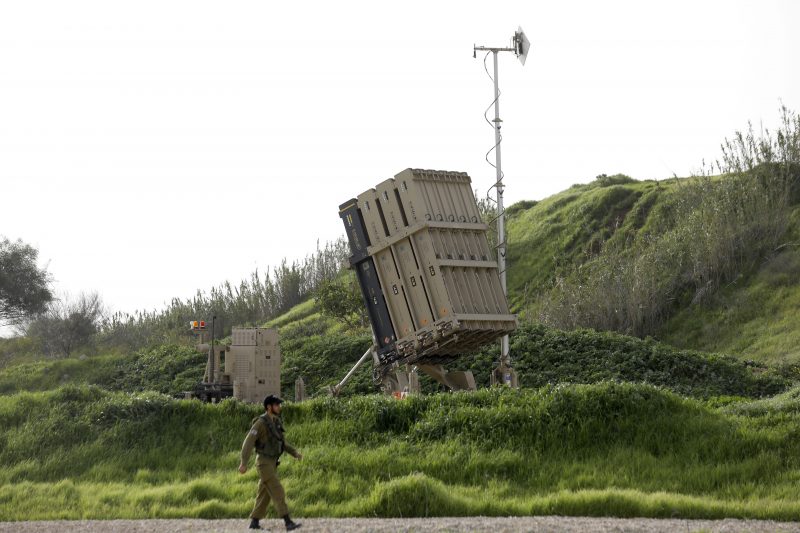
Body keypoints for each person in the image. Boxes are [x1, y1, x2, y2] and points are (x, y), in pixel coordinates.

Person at [239, 394, 303, 531]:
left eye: (279, 405)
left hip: (272, 463)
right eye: (276, 405)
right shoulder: (260, 423)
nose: (279, 407)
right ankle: (288, 522)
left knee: (264, 494)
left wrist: (295, 453)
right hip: (264, 463)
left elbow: (282, 443)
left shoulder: (276, 422)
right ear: (269, 407)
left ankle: (254, 522)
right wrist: (243, 462)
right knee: (277, 490)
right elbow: (248, 442)